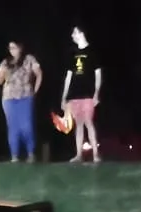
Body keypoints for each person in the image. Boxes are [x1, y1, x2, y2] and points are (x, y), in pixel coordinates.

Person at [0, 41, 42, 162]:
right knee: (13, 127)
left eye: (14, 47)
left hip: (25, 96)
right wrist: (2, 74)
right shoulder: (6, 62)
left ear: (20, 48)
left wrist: (35, 91)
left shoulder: (29, 59)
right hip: (9, 99)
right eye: (10, 48)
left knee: (26, 126)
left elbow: (39, 74)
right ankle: (14, 156)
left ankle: (31, 153)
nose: (12, 50)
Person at [61, 26, 102, 163]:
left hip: (88, 93)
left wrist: (96, 93)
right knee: (78, 124)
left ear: (82, 33)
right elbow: (68, 76)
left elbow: (98, 74)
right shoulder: (72, 53)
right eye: (73, 33)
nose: (73, 35)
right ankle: (78, 154)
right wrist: (64, 97)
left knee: (88, 122)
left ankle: (95, 155)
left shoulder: (92, 52)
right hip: (74, 94)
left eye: (75, 32)